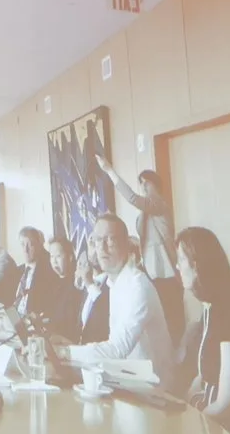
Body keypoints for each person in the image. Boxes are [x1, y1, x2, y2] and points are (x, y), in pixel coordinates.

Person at [60, 213, 172, 366]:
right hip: (125, 376)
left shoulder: (137, 285)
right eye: (98, 240)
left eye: (110, 240)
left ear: (126, 245)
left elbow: (117, 349)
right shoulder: (112, 281)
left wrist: (64, 352)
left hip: (151, 385)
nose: (102, 248)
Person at [176, 225, 230, 415]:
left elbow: (226, 402)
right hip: (211, 413)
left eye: (181, 259)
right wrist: (182, 407)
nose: (178, 266)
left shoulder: (229, 318)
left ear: (197, 265)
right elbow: (202, 377)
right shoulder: (210, 310)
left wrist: (192, 426)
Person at [97, 153, 181, 340]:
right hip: (153, 275)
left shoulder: (158, 204)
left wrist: (109, 170)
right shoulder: (146, 213)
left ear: (156, 185)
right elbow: (147, 242)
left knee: (171, 329)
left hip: (165, 276)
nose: (143, 186)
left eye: (147, 182)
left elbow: (133, 199)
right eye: (141, 182)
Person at [14, 227, 81, 340]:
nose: (54, 261)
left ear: (70, 257)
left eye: (58, 256)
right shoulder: (54, 282)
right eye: (52, 256)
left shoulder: (76, 285)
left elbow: (66, 324)